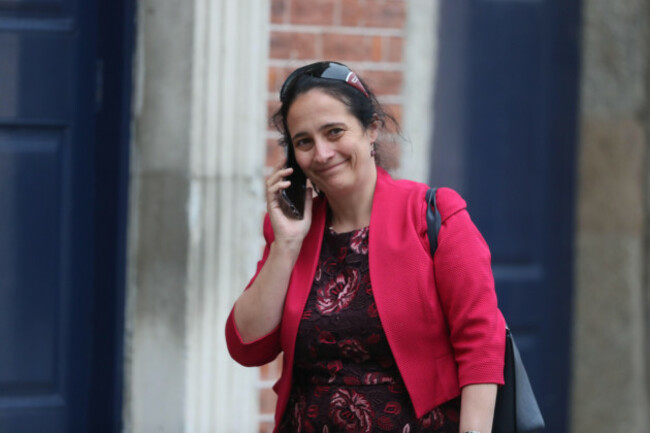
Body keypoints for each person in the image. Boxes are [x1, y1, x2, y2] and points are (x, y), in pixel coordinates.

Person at [225, 61, 506, 433]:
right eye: (304, 141)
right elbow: (247, 346)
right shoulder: (291, 234)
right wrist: (287, 244)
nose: (322, 153)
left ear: (371, 129)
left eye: (334, 131)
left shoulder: (433, 215)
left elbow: (481, 342)